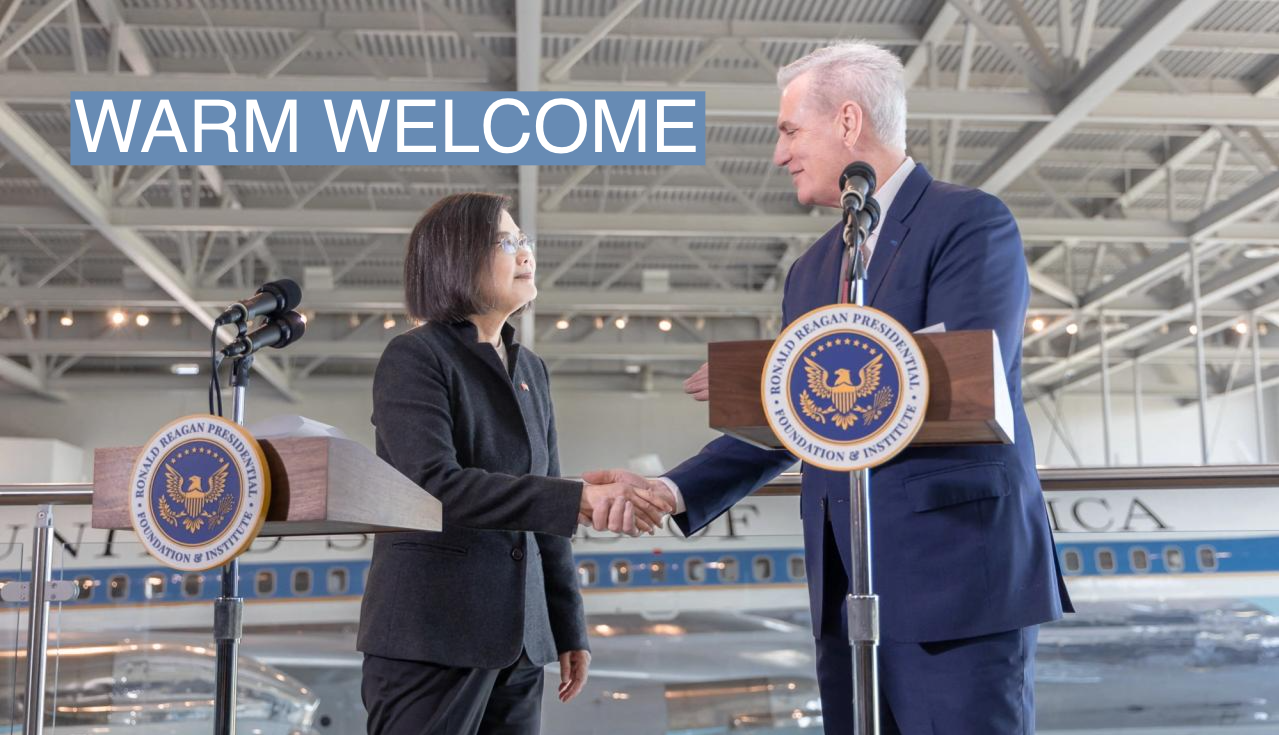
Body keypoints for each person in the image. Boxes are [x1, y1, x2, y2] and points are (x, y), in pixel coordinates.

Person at [584, 42, 1072, 733]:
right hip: (847, 586)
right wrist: (673, 488)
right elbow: (805, 417)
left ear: (847, 122)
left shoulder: (968, 223)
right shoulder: (809, 271)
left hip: (956, 578)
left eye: (788, 131)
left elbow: (964, 372)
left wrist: (784, 370)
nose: (779, 154)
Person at [359, 192, 671, 735]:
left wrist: (568, 628)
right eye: (507, 242)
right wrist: (577, 498)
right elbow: (434, 486)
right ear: (458, 257)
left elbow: (543, 506)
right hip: (432, 638)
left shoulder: (531, 368)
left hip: (522, 643)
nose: (526, 254)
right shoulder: (415, 357)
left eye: (523, 241)